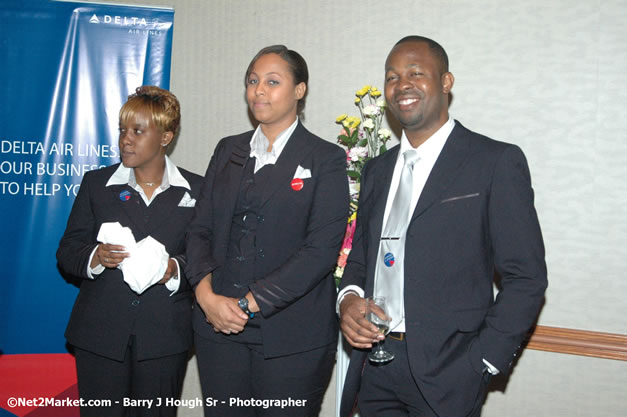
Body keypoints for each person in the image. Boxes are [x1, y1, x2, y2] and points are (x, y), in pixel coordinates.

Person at [338, 36, 548, 417]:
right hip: (375, 367)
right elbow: (360, 259)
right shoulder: (376, 171)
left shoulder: (494, 161)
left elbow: (527, 276)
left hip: (449, 375)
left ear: (446, 81)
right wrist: (348, 300)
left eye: (416, 73)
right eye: (392, 77)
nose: (402, 85)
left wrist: (483, 362)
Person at [186, 45, 349, 417]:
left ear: (299, 90)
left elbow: (320, 251)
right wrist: (206, 296)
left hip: (292, 335)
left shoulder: (324, 158)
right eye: (253, 81)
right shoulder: (228, 150)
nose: (259, 90)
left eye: (272, 82)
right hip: (218, 329)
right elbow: (200, 229)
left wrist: (246, 304)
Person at [57, 86, 202, 417]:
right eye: (123, 130)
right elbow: (68, 251)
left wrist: (174, 270)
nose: (126, 139)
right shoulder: (97, 184)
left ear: (166, 136)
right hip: (100, 335)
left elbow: (207, 257)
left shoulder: (199, 190)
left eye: (138, 131)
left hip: (165, 338)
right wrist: (95, 257)